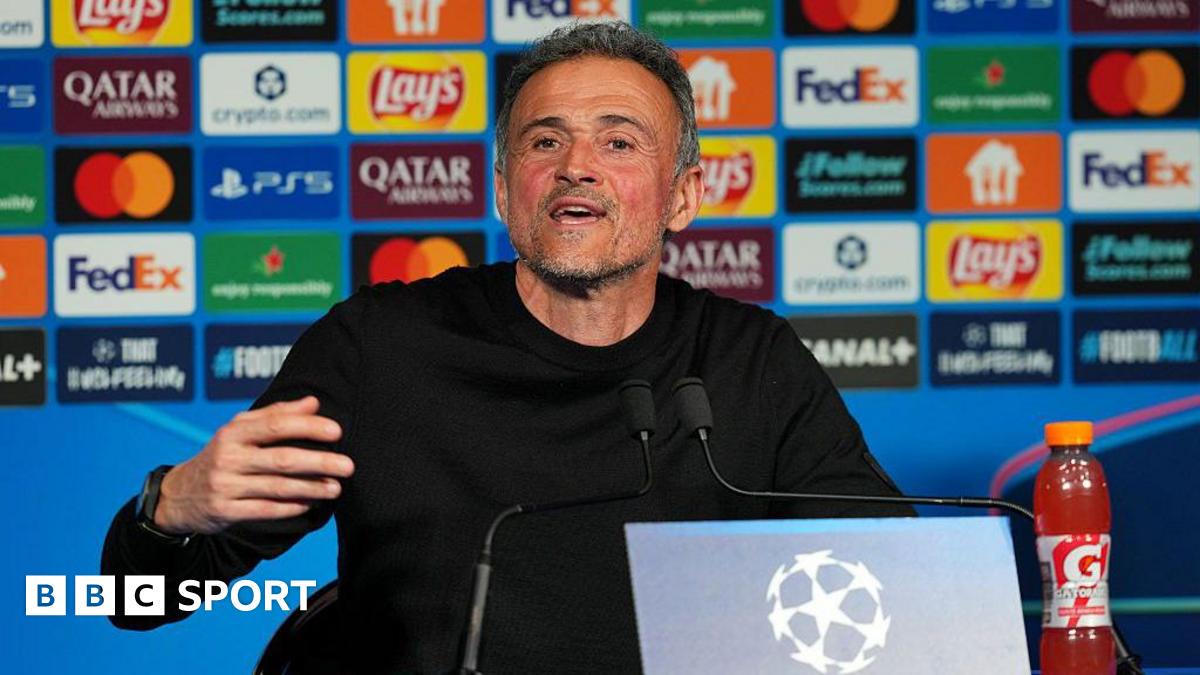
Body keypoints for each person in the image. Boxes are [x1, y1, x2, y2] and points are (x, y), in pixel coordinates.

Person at [101, 21, 913, 673]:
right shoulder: (379, 348)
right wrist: (168, 508)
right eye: (544, 142)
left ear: (683, 195)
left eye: (619, 142)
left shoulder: (751, 361)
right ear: (502, 188)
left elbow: (895, 598)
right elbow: (135, 602)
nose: (576, 168)